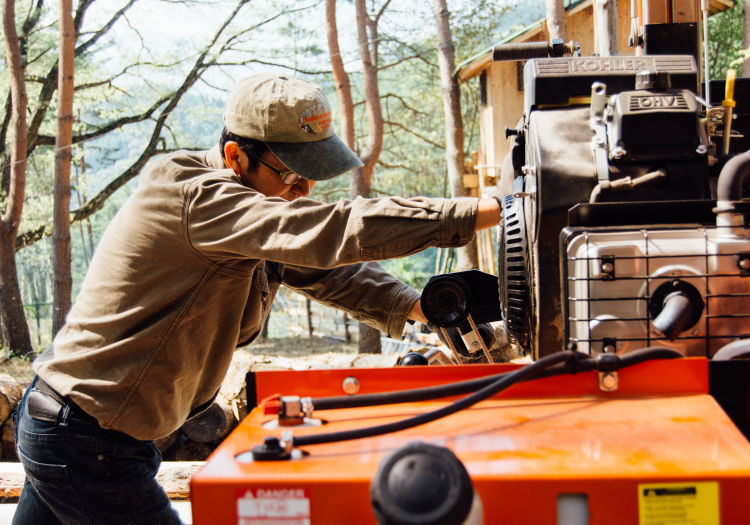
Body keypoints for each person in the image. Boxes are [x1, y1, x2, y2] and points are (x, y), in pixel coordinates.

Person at [12, 73, 502, 525]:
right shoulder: (197, 198)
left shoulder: (249, 216)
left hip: (83, 431)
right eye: (291, 176)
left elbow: (326, 272)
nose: (304, 189)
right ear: (235, 158)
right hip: (86, 441)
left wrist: (421, 306)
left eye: (313, 177)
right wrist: (480, 212)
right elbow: (326, 231)